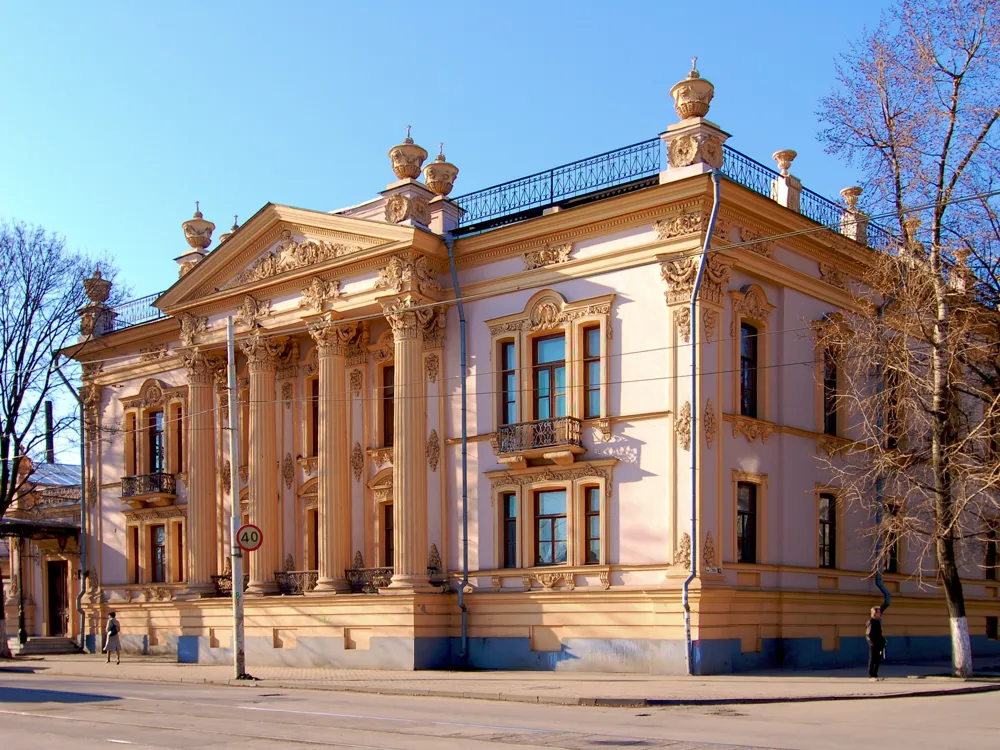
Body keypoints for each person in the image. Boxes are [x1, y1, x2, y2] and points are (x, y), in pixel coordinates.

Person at [866, 606, 886, 680]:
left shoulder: (877, 622)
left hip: (878, 643)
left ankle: (875, 674)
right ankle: (871, 675)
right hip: (873, 643)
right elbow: (869, 633)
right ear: (874, 614)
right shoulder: (871, 622)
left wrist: (883, 641)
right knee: (873, 659)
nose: (880, 614)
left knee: (877, 659)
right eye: (878, 612)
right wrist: (872, 643)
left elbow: (879, 634)